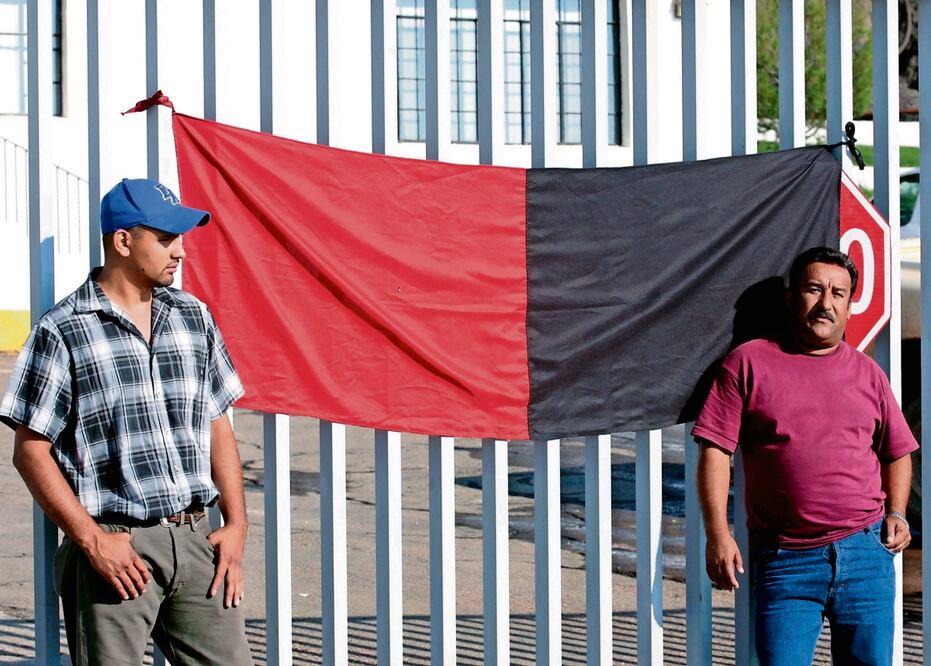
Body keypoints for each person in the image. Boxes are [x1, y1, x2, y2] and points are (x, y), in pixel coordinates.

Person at [1, 178, 253, 665]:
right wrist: (91, 540)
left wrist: (237, 524)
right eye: (165, 238)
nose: (180, 251)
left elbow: (217, 422)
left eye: (180, 239)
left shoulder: (192, 316)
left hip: (196, 540)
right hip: (114, 547)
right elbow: (29, 449)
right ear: (123, 241)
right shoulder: (64, 329)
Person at [693, 246, 918, 665]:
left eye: (838, 293)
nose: (826, 303)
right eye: (814, 289)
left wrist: (899, 513)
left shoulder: (868, 373)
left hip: (866, 556)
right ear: (791, 297)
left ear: (850, 307)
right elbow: (715, 450)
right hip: (786, 561)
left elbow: (898, 451)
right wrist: (718, 535)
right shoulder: (748, 363)